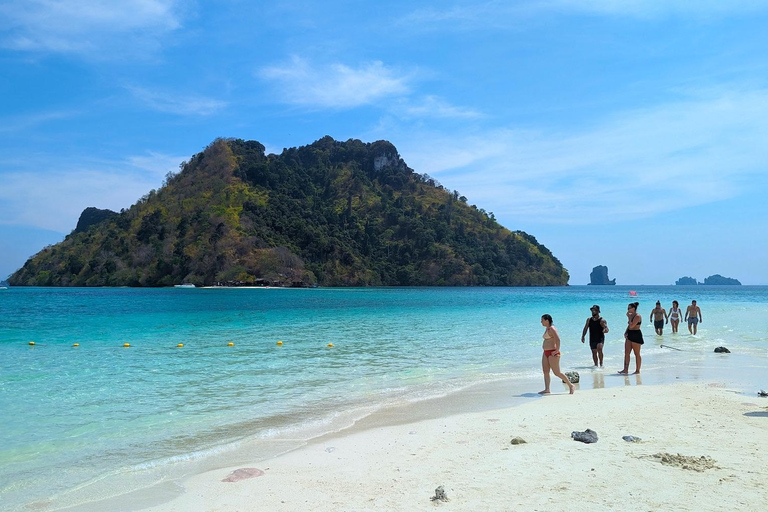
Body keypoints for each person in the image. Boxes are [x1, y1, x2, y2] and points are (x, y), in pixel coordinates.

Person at [539, 314, 575, 395]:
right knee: (545, 371)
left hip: (553, 353)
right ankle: (547, 389)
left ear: (547, 320)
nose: (541, 322)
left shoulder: (552, 328)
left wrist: (556, 350)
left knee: (557, 372)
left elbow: (558, 339)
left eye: (542, 320)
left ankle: (571, 385)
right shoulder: (547, 329)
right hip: (545, 352)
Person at [619, 302, 643, 375]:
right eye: (628, 308)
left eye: (629, 308)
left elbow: (632, 325)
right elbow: (629, 326)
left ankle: (637, 370)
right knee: (627, 352)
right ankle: (625, 369)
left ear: (633, 309)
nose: (628, 309)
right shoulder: (631, 315)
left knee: (637, 353)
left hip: (636, 334)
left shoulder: (637, 316)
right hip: (630, 334)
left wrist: (629, 318)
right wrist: (626, 331)